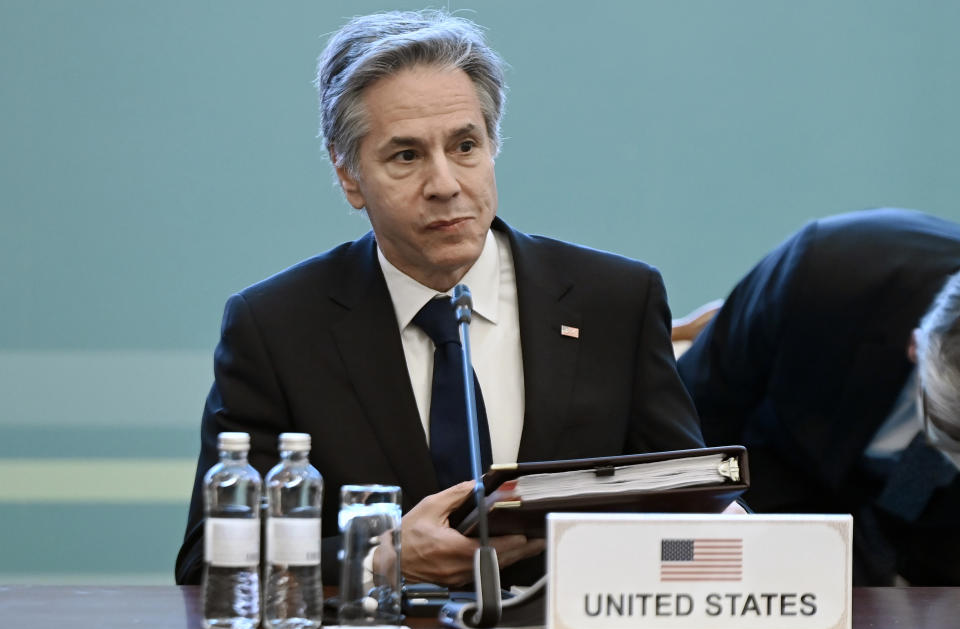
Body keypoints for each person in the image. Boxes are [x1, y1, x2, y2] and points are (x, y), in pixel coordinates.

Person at [175, 10, 706, 589]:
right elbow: (210, 563)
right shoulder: (277, 328)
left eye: (465, 146)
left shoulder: (614, 302)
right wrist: (379, 559)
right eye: (406, 156)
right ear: (350, 176)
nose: (445, 184)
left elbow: (691, 515)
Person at [677, 208, 960, 586]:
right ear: (915, 345)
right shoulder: (824, 269)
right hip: (770, 471)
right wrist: (708, 537)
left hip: (926, 515)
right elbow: (696, 410)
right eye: (946, 420)